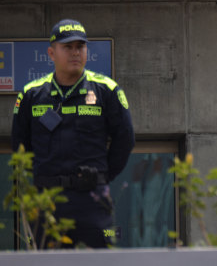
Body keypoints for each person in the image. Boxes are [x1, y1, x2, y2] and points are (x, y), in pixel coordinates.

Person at [11, 19, 135, 248]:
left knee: (101, 261)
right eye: (67, 47)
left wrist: (103, 175)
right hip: (47, 200)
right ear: (51, 52)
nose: (75, 52)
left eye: (80, 46)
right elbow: (20, 146)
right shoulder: (31, 94)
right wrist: (44, 177)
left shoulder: (107, 90)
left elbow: (125, 140)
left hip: (93, 199)